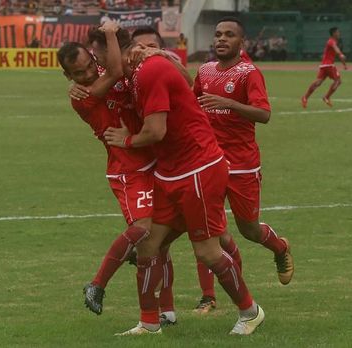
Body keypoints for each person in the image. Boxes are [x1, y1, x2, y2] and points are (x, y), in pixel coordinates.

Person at [102, 31, 264, 337]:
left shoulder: (150, 70)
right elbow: (186, 85)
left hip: (197, 169)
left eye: (104, 57)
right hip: (171, 172)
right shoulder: (137, 74)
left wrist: (126, 140)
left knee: (207, 252)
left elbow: (156, 131)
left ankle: (250, 311)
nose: (104, 66)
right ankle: (150, 323)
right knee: (150, 244)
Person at [57, 21, 170, 318]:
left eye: (89, 65)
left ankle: (166, 310)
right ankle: (97, 284)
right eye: (78, 73)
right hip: (128, 169)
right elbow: (118, 72)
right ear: (68, 76)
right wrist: (110, 31)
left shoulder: (107, 71)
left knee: (162, 237)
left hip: (153, 160)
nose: (88, 74)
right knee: (144, 229)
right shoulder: (82, 96)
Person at [192, 16, 294, 314]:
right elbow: (191, 103)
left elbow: (264, 114)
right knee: (202, 230)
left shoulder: (249, 73)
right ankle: (208, 297)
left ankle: (280, 248)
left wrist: (231, 104)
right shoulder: (205, 71)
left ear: (241, 43)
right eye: (218, 34)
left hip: (242, 165)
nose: (221, 39)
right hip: (209, 162)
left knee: (248, 228)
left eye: (229, 35)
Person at [301, 27, 347, 108]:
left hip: (324, 65)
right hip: (329, 65)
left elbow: (338, 53)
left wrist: (344, 64)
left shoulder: (333, 42)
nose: (339, 34)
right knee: (338, 81)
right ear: (333, 33)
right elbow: (337, 51)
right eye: (337, 32)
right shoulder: (331, 41)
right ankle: (326, 97)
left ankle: (305, 97)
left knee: (318, 82)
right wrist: (341, 55)